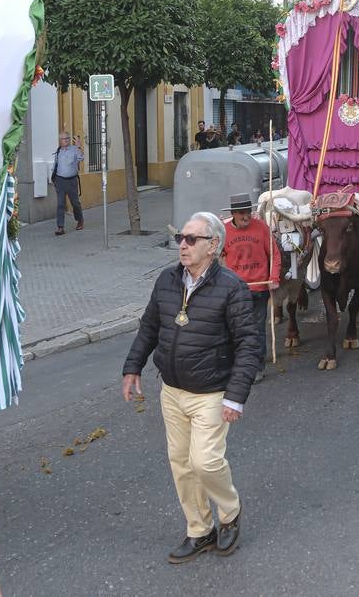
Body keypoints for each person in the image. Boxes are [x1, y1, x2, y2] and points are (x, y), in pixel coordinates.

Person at [122, 212, 263, 562]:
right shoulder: (167, 280)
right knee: (182, 464)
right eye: (180, 239)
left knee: (205, 462)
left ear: (213, 245)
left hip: (211, 393)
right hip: (172, 391)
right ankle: (199, 529)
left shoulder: (231, 287)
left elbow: (249, 344)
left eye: (191, 239)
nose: (182, 245)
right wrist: (133, 366)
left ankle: (229, 512)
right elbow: (149, 327)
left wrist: (235, 397)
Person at [222, 194, 280, 379]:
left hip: (259, 288)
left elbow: (274, 254)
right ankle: (238, 364)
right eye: (241, 213)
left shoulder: (261, 227)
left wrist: (274, 277)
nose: (246, 216)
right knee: (235, 329)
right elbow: (216, 256)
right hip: (236, 290)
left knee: (257, 330)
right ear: (233, 214)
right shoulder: (224, 231)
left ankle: (257, 367)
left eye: (248, 212)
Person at [50, 132, 85, 234]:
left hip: (72, 181)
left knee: (75, 203)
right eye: (62, 139)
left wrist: (79, 146)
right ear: (60, 140)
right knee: (60, 204)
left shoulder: (74, 149)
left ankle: (80, 220)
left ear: (69, 139)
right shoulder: (58, 151)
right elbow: (55, 165)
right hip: (60, 180)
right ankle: (60, 227)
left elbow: (81, 158)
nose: (65, 140)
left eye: (66, 138)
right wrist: (53, 178)